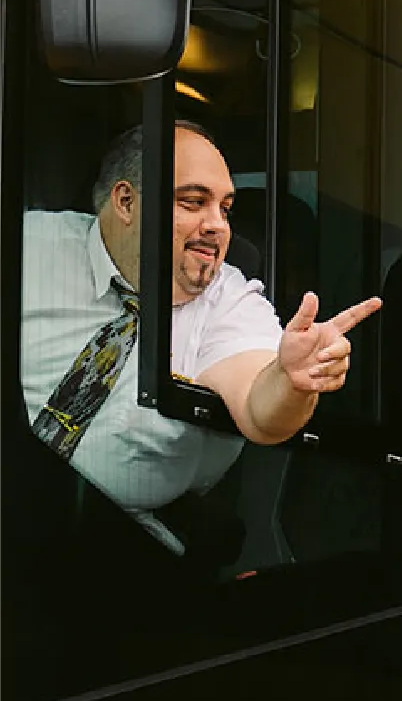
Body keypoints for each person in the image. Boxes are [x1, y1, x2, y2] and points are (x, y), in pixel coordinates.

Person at [19, 121, 381, 546]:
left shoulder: (232, 303)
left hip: (116, 548)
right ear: (126, 201)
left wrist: (291, 380)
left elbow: (260, 407)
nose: (218, 226)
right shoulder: (28, 244)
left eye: (225, 208)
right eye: (194, 202)